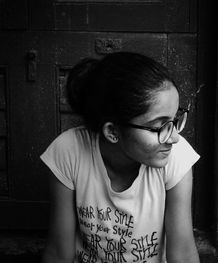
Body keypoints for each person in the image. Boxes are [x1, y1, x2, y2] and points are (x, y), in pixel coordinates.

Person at [40, 51, 200, 263]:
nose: (174, 138)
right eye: (158, 126)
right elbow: (59, 253)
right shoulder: (69, 152)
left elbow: (183, 254)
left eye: (175, 120)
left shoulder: (175, 157)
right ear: (112, 132)